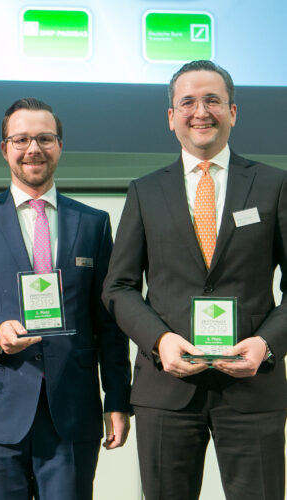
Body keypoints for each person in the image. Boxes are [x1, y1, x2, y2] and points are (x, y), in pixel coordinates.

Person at [103, 60, 287, 500]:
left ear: (233, 112)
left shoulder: (273, 185)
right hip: (167, 388)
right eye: (187, 102)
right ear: (172, 117)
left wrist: (267, 344)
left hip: (252, 387)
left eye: (212, 101)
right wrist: (159, 341)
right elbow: (118, 287)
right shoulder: (145, 191)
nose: (200, 112)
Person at [0, 97, 131, 500]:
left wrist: (117, 398)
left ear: (59, 145)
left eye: (44, 138)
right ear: (4, 148)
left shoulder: (93, 224)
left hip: (72, 412)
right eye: (21, 139)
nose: (33, 149)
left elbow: (109, 322)